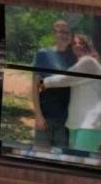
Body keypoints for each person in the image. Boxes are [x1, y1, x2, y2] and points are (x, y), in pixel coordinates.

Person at [42, 33, 101, 152]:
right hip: (76, 122)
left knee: (80, 160)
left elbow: (66, 79)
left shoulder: (89, 62)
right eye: (74, 43)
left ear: (87, 46)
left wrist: (42, 83)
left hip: (91, 121)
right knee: (74, 159)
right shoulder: (80, 64)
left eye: (81, 43)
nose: (77, 45)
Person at [32, 19, 76, 149]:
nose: (64, 35)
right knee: (41, 154)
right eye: (60, 31)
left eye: (67, 32)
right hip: (46, 116)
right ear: (54, 34)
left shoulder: (74, 57)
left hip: (66, 120)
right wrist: (38, 116)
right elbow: (36, 87)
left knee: (60, 157)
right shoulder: (43, 54)